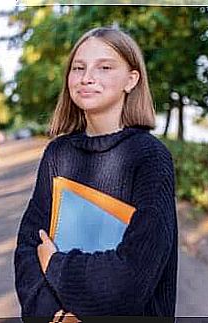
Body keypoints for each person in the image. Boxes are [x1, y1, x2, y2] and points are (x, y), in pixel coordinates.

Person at [14, 26, 178, 322]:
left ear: (132, 79)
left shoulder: (151, 158)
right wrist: (53, 314)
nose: (87, 77)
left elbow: (132, 280)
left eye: (104, 67)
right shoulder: (57, 155)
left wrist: (56, 264)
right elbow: (28, 248)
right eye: (79, 67)